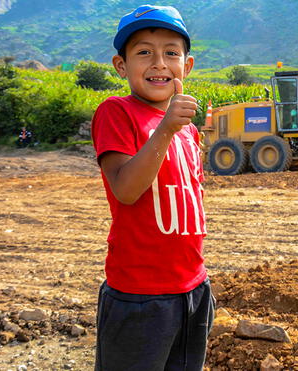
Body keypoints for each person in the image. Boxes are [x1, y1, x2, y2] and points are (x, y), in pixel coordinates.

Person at [90, 5, 213, 370]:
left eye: (171, 53)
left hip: (193, 290)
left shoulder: (188, 129)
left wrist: (198, 283)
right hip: (139, 296)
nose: (159, 63)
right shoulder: (117, 112)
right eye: (144, 52)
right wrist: (165, 129)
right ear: (121, 66)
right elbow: (126, 189)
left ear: (186, 66)